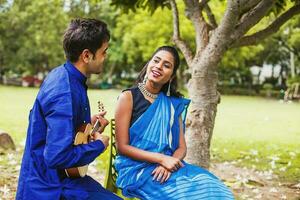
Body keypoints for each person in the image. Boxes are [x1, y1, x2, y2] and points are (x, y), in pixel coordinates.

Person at [16, 18, 122, 200]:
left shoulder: (65, 76)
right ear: (86, 55)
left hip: (63, 178)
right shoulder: (63, 91)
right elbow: (57, 157)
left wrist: (88, 125)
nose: (106, 56)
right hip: (50, 188)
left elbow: (58, 130)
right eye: (104, 52)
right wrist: (99, 145)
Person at [114, 46, 234, 199]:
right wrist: (162, 159)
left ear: (171, 77)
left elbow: (181, 147)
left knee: (213, 186)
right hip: (138, 169)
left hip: (169, 166)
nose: (159, 66)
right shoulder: (128, 97)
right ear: (148, 65)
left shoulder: (172, 105)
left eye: (166, 65)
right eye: (156, 61)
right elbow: (122, 147)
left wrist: (169, 164)